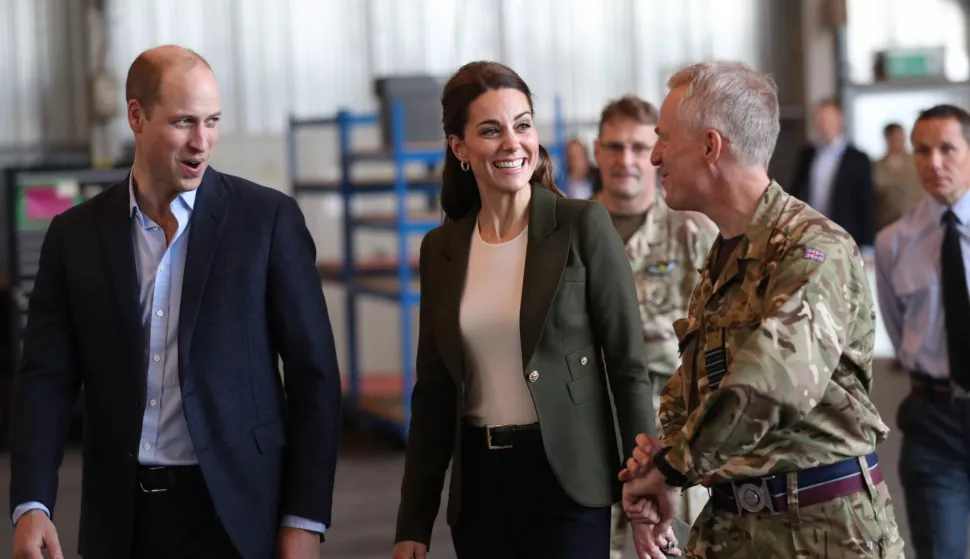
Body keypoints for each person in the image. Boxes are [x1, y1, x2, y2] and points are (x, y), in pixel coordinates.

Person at [9, 45, 342, 559]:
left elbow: (313, 376)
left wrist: (303, 519)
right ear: (136, 116)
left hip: (238, 514)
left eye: (212, 121)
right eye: (184, 121)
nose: (201, 142)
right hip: (121, 521)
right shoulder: (74, 236)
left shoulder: (266, 222)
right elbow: (45, 378)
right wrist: (32, 503)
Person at [618, 60, 904, 558]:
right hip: (733, 526)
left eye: (664, 138)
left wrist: (671, 466)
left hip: (825, 535)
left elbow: (773, 382)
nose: (654, 155)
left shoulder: (813, 248)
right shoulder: (726, 251)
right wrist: (662, 459)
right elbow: (697, 378)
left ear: (711, 146)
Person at [390, 60, 664, 559]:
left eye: (523, 125)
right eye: (490, 130)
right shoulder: (442, 249)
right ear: (459, 148)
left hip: (568, 482)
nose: (512, 143)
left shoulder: (582, 224)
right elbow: (432, 393)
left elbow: (629, 369)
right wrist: (413, 523)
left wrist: (644, 491)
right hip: (479, 488)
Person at [589, 95, 716, 559]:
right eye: (615, 146)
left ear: (657, 152)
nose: (626, 160)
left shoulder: (693, 231)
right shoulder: (571, 232)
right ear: (597, 151)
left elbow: (712, 341)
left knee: (672, 550)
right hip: (592, 434)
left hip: (672, 439)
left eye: (639, 147)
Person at [875, 104, 970, 559]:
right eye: (922, 150)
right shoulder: (896, 242)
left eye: (947, 149)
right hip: (934, 422)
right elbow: (897, 328)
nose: (933, 162)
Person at [791, 98, 876, 250]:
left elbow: (866, 203)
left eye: (828, 118)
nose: (823, 123)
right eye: (819, 118)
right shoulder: (807, 154)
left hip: (845, 236)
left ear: (840, 120)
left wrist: (867, 245)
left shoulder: (858, 158)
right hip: (810, 235)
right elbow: (797, 192)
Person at [873, 122, 924, 231]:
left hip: (919, 222)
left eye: (901, 137)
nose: (899, 141)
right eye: (895, 137)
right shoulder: (877, 167)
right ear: (888, 139)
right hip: (888, 224)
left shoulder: (917, 162)